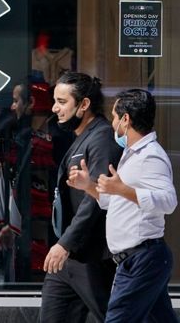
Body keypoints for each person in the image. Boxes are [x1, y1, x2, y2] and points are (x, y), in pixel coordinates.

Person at [69, 89, 179, 323]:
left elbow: (168, 202)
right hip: (137, 259)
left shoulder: (150, 156)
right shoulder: (132, 155)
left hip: (142, 258)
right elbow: (115, 202)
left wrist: (122, 189)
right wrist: (89, 185)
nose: (113, 124)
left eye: (115, 117)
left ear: (126, 119)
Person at [42, 72, 120, 323]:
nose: (55, 108)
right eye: (55, 101)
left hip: (92, 255)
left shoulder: (102, 138)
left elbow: (94, 199)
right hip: (69, 257)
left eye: (62, 102)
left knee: (111, 317)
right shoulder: (82, 137)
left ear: (84, 104)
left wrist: (65, 243)